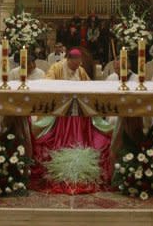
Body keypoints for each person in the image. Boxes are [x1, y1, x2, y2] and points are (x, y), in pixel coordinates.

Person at [32, 48, 112, 193]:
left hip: (79, 111)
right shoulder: (56, 68)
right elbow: (47, 83)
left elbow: (88, 85)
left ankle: (81, 142)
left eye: (78, 64)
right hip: (61, 112)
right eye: (74, 64)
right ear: (68, 60)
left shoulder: (80, 70)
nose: (77, 67)